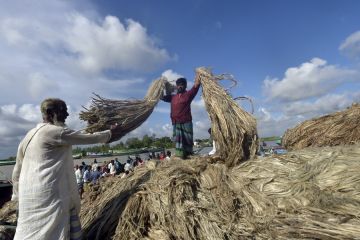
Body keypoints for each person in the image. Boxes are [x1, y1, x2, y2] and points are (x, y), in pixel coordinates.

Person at [11, 98, 121, 240]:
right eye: (63, 110)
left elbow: (16, 172)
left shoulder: (28, 136)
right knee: (54, 232)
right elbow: (86, 138)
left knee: (29, 232)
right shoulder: (54, 132)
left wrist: (17, 195)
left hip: (30, 199)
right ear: (51, 113)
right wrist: (110, 133)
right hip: (50, 197)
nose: (67, 114)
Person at [161, 74, 201, 159]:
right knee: (178, 141)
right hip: (176, 122)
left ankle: (188, 155)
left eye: (182, 85)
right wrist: (160, 86)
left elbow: (196, 87)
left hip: (186, 121)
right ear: (176, 86)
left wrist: (198, 76)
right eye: (178, 85)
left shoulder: (188, 94)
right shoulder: (172, 97)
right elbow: (162, 97)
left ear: (185, 86)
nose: (180, 86)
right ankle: (180, 156)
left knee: (187, 140)